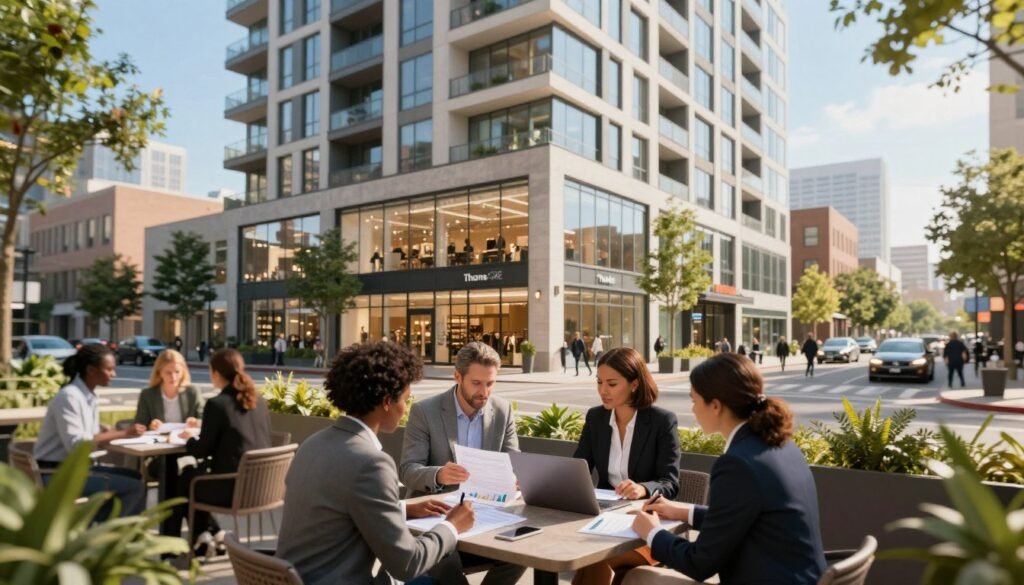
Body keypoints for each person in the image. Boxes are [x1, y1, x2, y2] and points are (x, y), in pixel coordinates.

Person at [276, 342, 475, 585]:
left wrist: (403, 508)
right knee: (446, 576)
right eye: (405, 399)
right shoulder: (372, 463)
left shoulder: (312, 444)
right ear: (387, 401)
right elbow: (407, 563)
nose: (405, 409)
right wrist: (452, 526)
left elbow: (337, 507)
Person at [626, 353, 827, 585]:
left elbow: (699, 563)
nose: (692, 409)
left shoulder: (738, 464)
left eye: (694, 400)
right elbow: (739, 516)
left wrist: (652, 532)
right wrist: (684, 512)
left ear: (715, 406)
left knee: (636, 578)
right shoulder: (781, 445)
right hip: (802, 578)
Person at [399, 342, 525, 585]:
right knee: (446, 559)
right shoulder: (425, 411)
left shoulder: (502, 410)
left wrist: (517, 478)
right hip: (437, 515)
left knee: (522, 549)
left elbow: (514, 461)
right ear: (457, 376)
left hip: (487, 512)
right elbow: (408, 470)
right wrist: (439, 475)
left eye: (490, 383)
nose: (484, 392)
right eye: (476, 383)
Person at [572, 348, 680, 585]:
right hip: (603, 520)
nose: (603, 390)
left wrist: (643, 488)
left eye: (612, 384)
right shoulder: (596, 418)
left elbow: (670, 483)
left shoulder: (662, 421)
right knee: (584, 554)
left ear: (634, 384)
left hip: (645, 526)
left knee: (593, 558)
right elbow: (578, 467)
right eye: (599, 382)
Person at [170, 348, 272, 556]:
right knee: (194, 476)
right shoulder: (258, 402)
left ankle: (201, 539)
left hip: (233, 489)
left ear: (215, 373)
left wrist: (189, 438)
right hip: (263, 488)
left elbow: (202, 450)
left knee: (187, 479)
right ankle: (211, 535)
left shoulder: (217, 404)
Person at [34, 344, 147, 520]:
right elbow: (78, 445)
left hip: (75, 469)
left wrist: (103, 429)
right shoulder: (70, 396)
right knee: (134, 488)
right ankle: (108, 538)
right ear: (91, 370)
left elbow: (87, 433)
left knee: (136, 477)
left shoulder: (88, 396)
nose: (114, 374)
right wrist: (124, 433)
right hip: (58, 474)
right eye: (109, 369)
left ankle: (94, 531)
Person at [135, 349, 203, 431]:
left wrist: (196, 422)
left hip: (186, 440)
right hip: (158, 441)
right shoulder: (147, 394)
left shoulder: (193, 392)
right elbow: (139, 424)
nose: (173, 377)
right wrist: (151, 426)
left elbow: (206, 420)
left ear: (183, 372)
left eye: (177, 372)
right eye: (168, 373)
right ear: (159, 372)